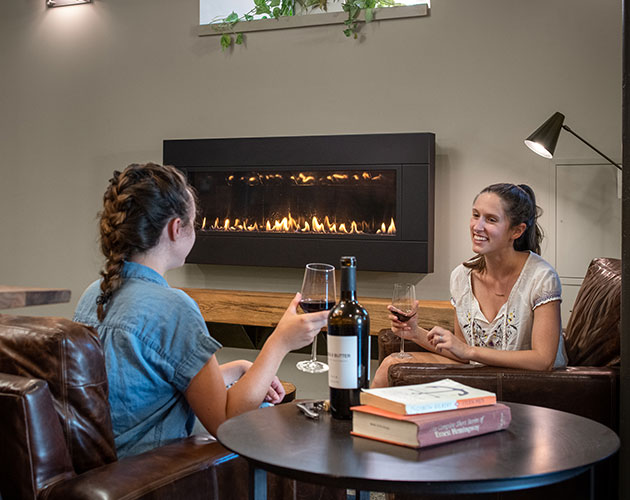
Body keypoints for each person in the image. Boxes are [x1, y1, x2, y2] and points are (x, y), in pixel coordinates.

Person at [73, 163, 328, 457]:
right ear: (176, 228)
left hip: (101, 473)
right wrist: (281, 342)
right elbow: (226, 422)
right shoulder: (174, 309)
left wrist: (239, 369)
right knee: (282, 439)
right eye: (193, 223)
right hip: (149, 476)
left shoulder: (94, 293)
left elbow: (145, 387)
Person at [372, 183, 567, 388]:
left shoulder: (541, 277)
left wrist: (470, 352)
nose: (478, 226)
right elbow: (460, 352)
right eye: (475, 215)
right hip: (481, 374)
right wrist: (415, 332)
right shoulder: (461, 277)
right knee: (391, 366)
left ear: (516, 231)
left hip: (532, 384)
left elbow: (543, 360)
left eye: (491, 219)